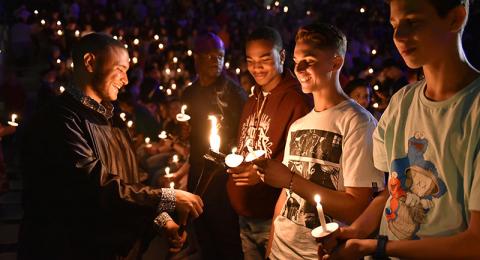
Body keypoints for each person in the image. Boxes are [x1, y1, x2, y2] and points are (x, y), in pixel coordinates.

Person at [18, 33, 204, 260]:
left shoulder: (113, 120)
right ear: (90, 62)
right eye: (120, 69)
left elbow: (130, 184)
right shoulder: (59, 120)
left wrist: (163, 222)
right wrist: (169, 197)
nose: (125, 80)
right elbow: (96, 188)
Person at [318, 0, 480, 259]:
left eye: (413, 22)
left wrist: (375, 248)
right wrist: (356, 232)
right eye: (394, 25)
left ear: (455, 18)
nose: (399, 36)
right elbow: (391, 191)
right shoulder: (401, 103)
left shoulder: (474, 110)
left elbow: (475, 243)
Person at [256, 23, 385, 259]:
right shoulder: (299, 125)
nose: (299, 69)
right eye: (295, 61)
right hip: (280, 251)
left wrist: (290, 179)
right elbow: (285, 198)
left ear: (336, 63)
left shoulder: (357, 122)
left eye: (310, 61)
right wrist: (271, 247)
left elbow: (358, 207)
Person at [226, 26, 311, 259]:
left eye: (264, 59)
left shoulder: (297, 101)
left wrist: (261, 174)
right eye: (250, 61)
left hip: (273, 216)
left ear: (282, 56)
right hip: (245, 216)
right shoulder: (252, 99)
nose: (256, 67)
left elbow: (303, 164)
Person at [182, 32, 246, 259]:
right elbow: (185, 129)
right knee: (202, 228)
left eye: (219, 55)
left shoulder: (234, 93)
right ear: (196, 58)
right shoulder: (189, 93)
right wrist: (183, 132)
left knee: (225, 232)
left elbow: (244, 133)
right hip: (198, 167)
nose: (215, 61)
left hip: (223, 174)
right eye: (209, 56)